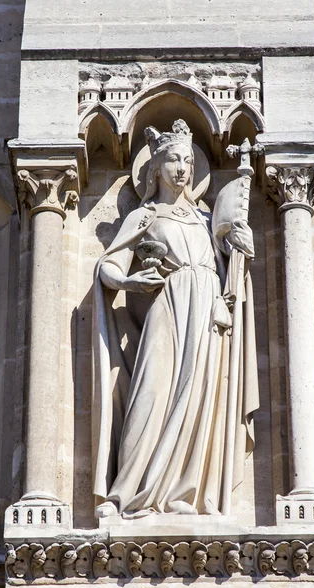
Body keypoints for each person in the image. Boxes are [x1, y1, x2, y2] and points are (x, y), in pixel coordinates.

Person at [91, 120, 259, 519]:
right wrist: (131, 281)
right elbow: (107, 267)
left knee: (203, 398)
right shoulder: (145, 217)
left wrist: (241, 249)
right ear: (156, 167)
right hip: (167, 306)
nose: (182, 168)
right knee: (151, 392)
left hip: (208, 314)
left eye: (187, 161)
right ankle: (127, 493)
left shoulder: (206, 220)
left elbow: (231, 273)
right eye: (173, 160)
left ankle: (186, 493)